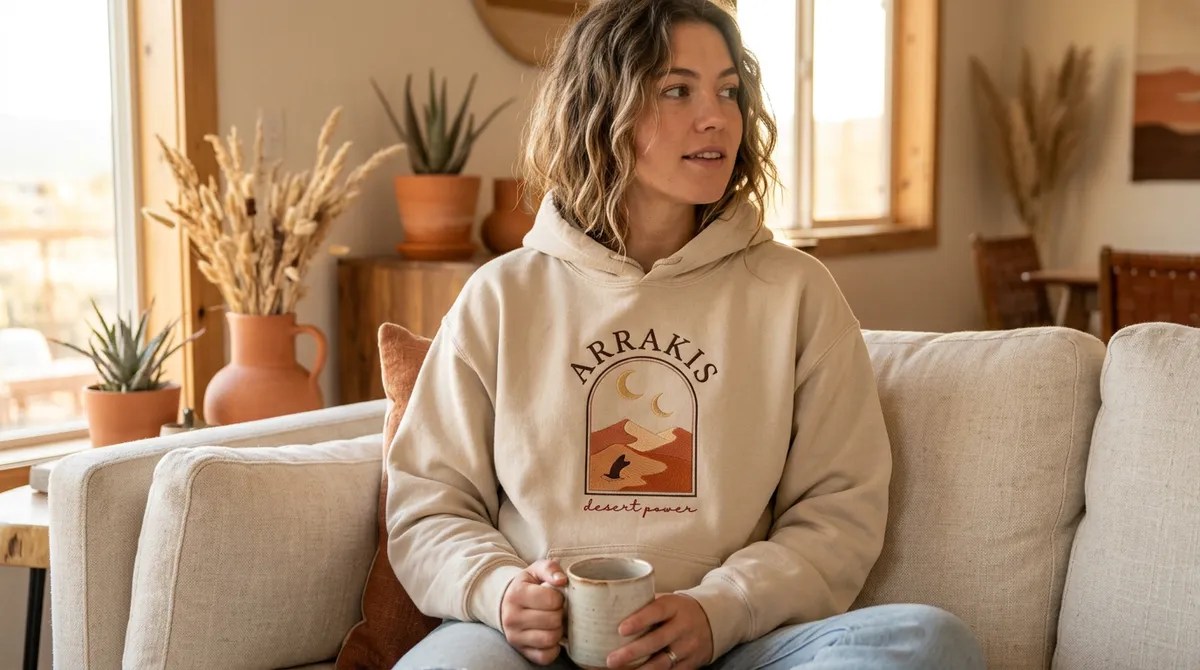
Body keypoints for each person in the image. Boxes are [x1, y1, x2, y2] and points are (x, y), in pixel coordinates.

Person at [387, 1, 985, 668]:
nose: (717, 116)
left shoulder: (795, 292)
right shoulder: (502, 295)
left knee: (931, 643)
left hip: (735, 645)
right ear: (601, 108)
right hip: (532, 651)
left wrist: (723, 608)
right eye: (678, 89)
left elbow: (839, 510)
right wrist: (500, 592)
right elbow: (428, 508)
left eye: (728, 90)